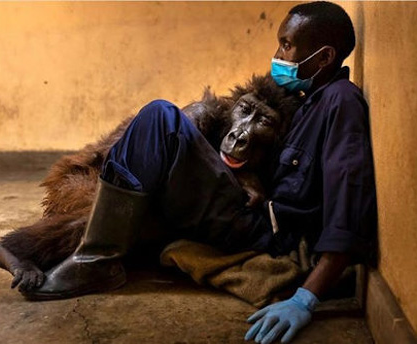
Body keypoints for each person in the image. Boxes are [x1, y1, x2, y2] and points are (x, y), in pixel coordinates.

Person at [22, 2, 377, 343]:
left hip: (259, 230)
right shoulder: (301, 100)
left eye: (286, 46)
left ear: (326, 57)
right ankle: (94, 249)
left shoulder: (340, 102)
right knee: (164, 127)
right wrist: (244, 178)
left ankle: (96, 260)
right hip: (244, 205)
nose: (279, 57)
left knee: (161, 117)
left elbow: (348, 206)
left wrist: (305, 299)